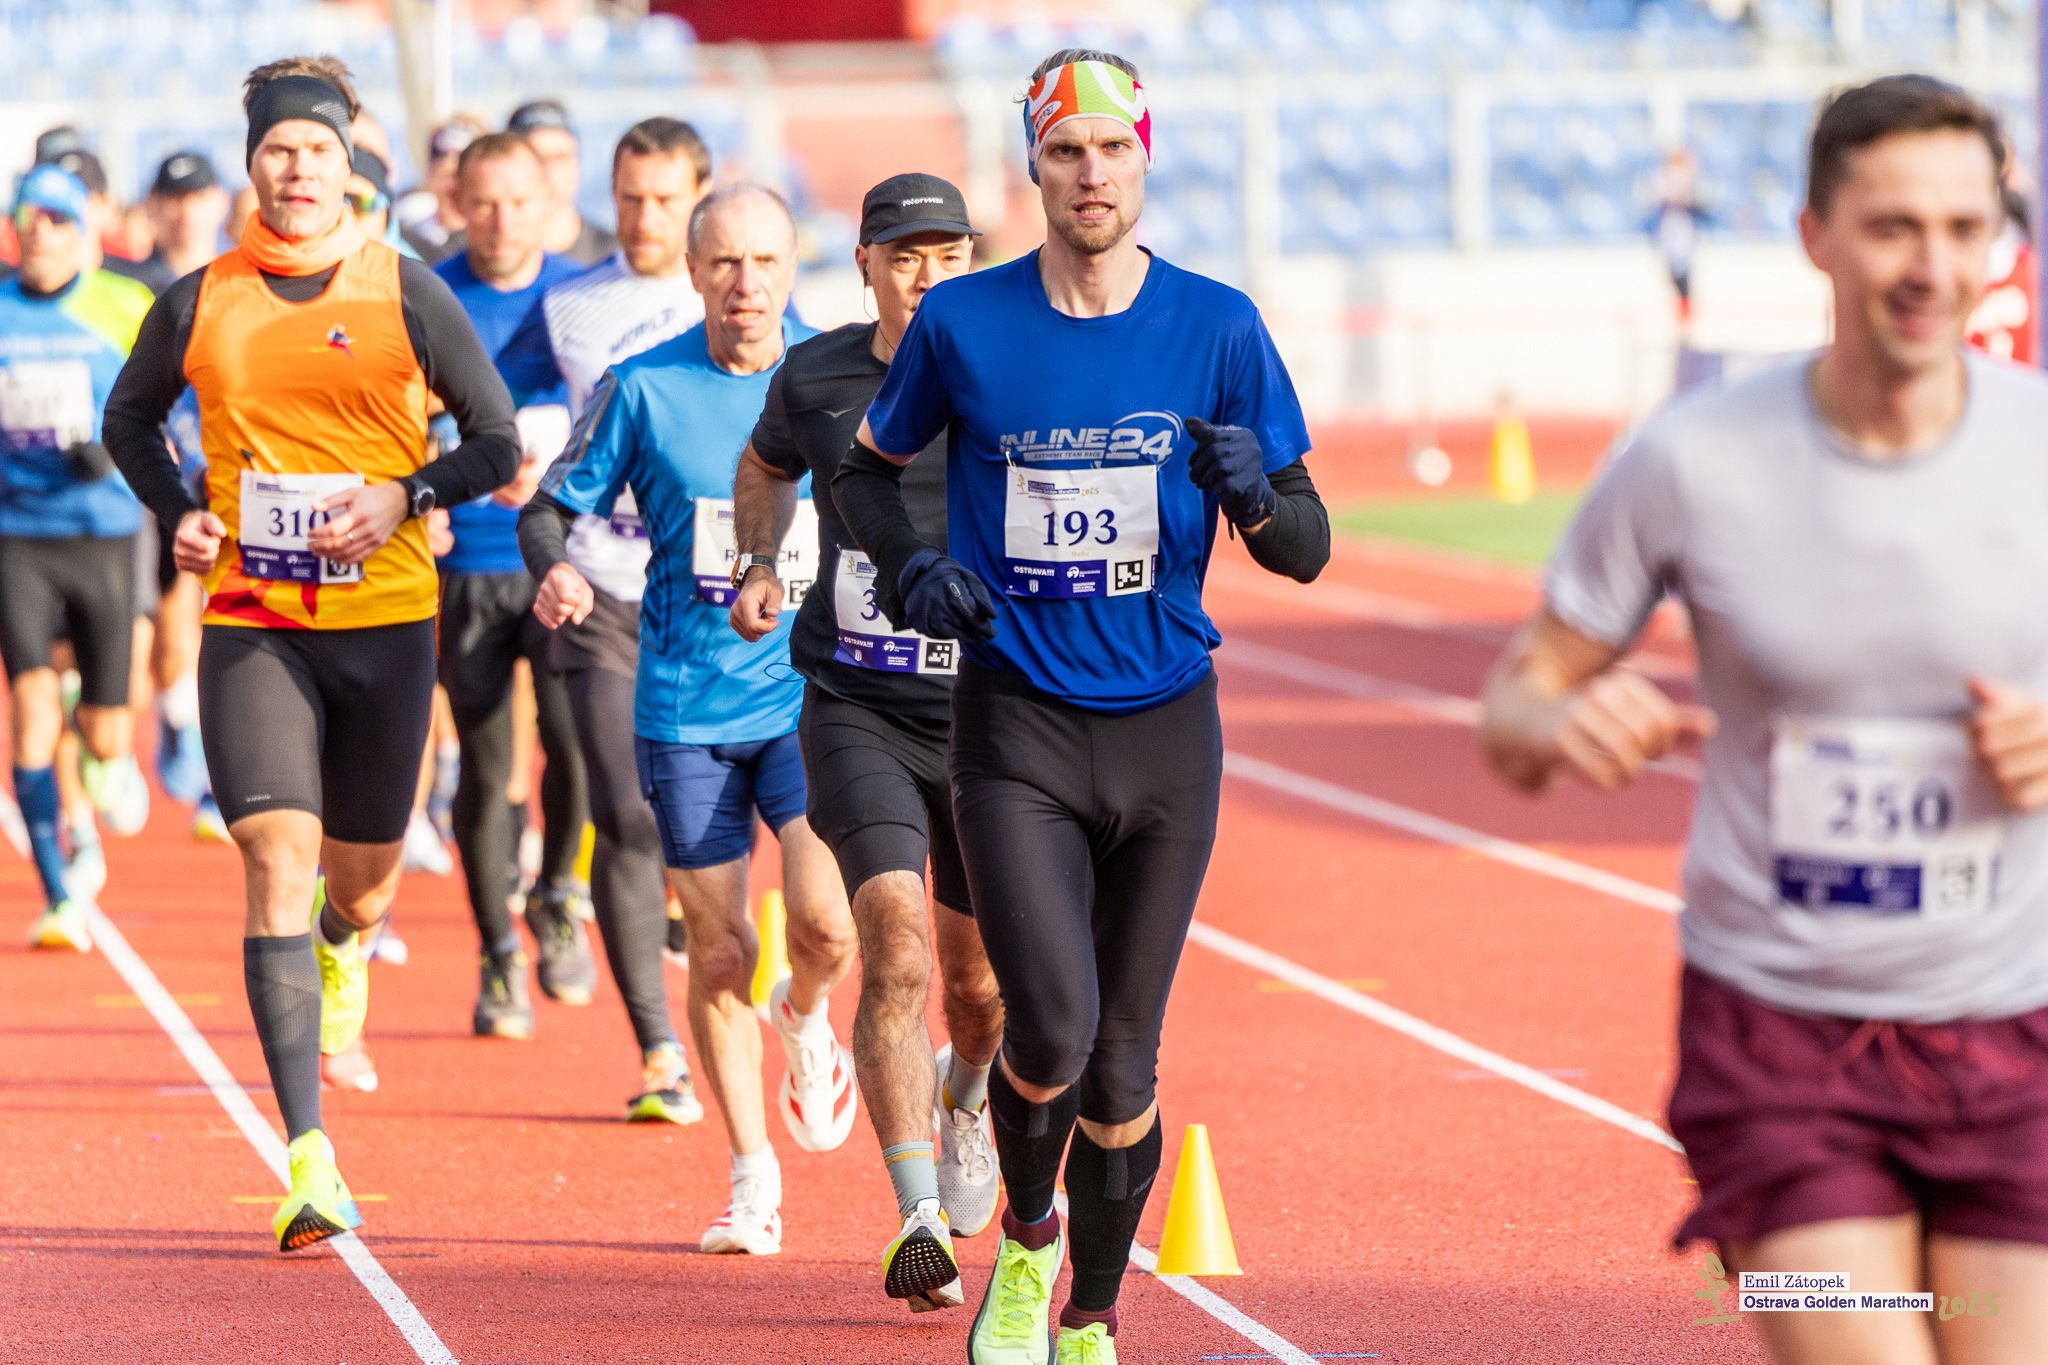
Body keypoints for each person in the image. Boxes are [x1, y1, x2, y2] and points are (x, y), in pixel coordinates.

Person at [1479, 75, 2048, 1365]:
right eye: (1892, 227)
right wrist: (1559, 720)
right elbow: (1516, 699)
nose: (1932, 267)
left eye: (1962, 228)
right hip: (1778, 1046)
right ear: (1813, 235)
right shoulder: (1693, 459)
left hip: (2015, 1032)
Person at [835, 50, 1329, 1365]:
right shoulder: (964, 322)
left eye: (1112, 150)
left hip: (1166, 730)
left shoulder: (1218, 327)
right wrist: (914, 568)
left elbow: (1305, 548)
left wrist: (1258, 493)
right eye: (1066, 151)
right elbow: (862, 478)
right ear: (1035, 168)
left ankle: (1091, 1316)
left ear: (1143, 161)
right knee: (1044, 1026)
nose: (1091, 174)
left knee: (1122, 1065)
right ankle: (1027, 1242)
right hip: (1017, 728)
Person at [102, 55, 519, 1252]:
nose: (297, 168)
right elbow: (128, 420)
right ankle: (308, 1155)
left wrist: (406, 495)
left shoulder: (406, 290)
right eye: (278, 149)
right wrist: (178, 508)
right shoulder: (200, 299)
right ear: (254, 165)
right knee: (274, 858)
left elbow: (494, 441)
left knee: (362, 882)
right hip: (254, 621)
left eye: (318, 150)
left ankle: (345, 948)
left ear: (347, 168)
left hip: (385, 622)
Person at [521, 184, 856, 1256]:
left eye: (764, 262)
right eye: (724, 263)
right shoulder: (643, 387)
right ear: (694, 271)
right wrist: (555, 570)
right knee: (718, 955)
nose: (745, 284)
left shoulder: (841, 377)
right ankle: (752, 1177)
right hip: (684, 707)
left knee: (827, 927)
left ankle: (805, 1014)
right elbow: (549, 506)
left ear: (792, 268)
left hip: (809, 697)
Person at [728, 172, 1003, 1311]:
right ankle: (917, 1217)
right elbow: (765, 465)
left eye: (947, 255)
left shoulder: (1010, 372)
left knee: (978, 988)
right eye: (904, 256)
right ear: (866, 267)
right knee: (890, 946)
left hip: (988, 713)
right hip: (856, 705)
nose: (926, 276)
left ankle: (967, 1092)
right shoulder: (817, 375)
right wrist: (757, 560)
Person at [497, 116, 715, 1121]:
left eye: (665, 199)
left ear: (697, 199)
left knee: (707, 822)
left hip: (708, 597)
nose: (643, 217)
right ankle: (660, 1051)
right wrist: (518, 446)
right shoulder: (567, 305)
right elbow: (502, 399)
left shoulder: (736, 296)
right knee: (624, 812)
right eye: (629, 197)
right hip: (596, 589)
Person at [433, 131, 591, 1039]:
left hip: (562, 561)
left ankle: (558, 892)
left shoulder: (581, 295)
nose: (500, 220)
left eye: (518, 202)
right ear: (458, 202)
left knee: (576, 746)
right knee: (488, 769)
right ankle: (498, 953)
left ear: (547, 204)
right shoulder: (428, 293)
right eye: (484, 202)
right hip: (469, 565)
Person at [0, 163, 158, 952]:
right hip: (18, 532)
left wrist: (117, 451)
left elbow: (172, 406)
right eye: (27, 219)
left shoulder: (124, 305)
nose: (40, 233)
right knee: (28, 708)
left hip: (104, 530)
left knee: (106, 737)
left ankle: (96, 732)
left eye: (57, 220)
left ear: (84, 233)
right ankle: (60, 892)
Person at [508, 98, 618, 265]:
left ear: (578, 164)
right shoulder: (475, 256)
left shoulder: (614, 256)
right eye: (537, 158)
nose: (549, 172)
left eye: (560, 157)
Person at [137, 152, 232, 294]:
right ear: (152, 204)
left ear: (222, 200)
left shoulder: (241, 282)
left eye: (198, 197)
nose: (187, 212)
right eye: (175, 198)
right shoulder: (132, 286)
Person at [397, 115, 483, 265]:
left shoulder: (492, 239)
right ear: (430, 173)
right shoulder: (406, 233)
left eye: (463, 176)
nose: (454, 186)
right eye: (447, 176)